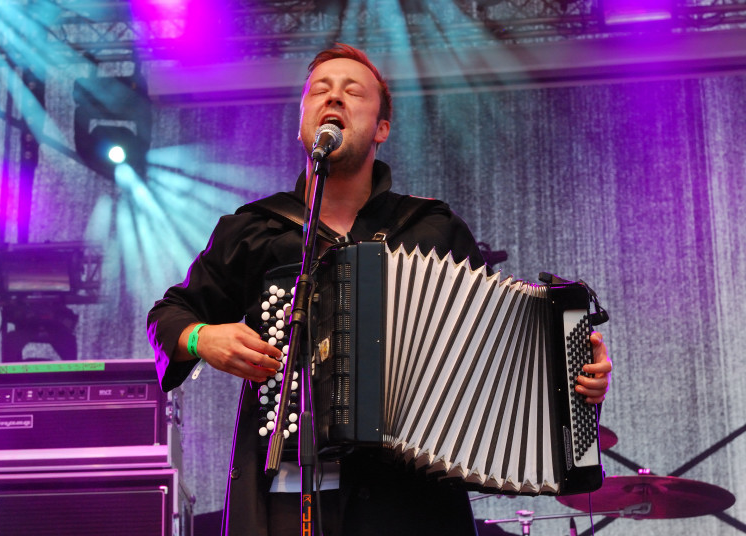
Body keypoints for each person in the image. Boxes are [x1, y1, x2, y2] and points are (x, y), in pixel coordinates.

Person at [147, 43, 611, 536]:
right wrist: (202, 338)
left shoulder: (431, 229)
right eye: (319, 91)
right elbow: (168, 315)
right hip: (288, 495)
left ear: (381, 128)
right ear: (302, 119)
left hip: (412, 502)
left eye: (353, 92)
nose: (334, 99)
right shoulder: (255, 230)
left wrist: (574, 376)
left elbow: (495, 359)